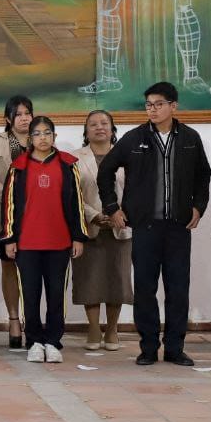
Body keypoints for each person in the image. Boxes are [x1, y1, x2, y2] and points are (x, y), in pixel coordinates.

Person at [99, 81, 211, 366]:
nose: (153, 109)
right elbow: (106, 171)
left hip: (178, 227)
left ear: (173, 106)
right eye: (148, 104)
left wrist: (198, 207)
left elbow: (203, 175)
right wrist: (113, 208)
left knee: (177, 289)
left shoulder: (189, 137)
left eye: (159, 104)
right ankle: (148, 348)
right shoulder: (134, 138)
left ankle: (175, 348)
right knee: (145, 289)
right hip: (146, 227)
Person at [1, 116, 88, 364]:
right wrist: (9, 238)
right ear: (30, 138)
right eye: (37, 134)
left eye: (47, 133)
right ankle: (35, 341)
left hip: (59, 243)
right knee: (30, 294)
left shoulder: (67, 165)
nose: (42, 138)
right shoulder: (18, 167)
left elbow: (77, 205)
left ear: (54, 136)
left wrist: (78, 237)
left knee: (56, 294)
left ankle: (53, 341)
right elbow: (9, 205)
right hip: (27, 244)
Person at [73, 110, 132, 351]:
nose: (99, 127)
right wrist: (94, 215)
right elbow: (73, 195)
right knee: (91, 279)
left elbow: (135, 190)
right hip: (89, 227)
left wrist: (119, 213)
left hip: (121, 226)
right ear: (86, 131)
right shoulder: (75, 159)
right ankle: (94, 328)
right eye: (93, 124)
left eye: (104, 123)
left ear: (112, 128)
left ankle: (113, 329)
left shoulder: (127, 156)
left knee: (117, 279)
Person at [0, 95, 32, 347]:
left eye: (27, 113)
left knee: (33, 268)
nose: (24, 118)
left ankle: (32, 319)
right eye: (19, 114)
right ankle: (14, 319)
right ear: (8, 119)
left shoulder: (40, 138)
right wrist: (11, 199)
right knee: (9, 266)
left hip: (37, 216)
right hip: (5, 214)